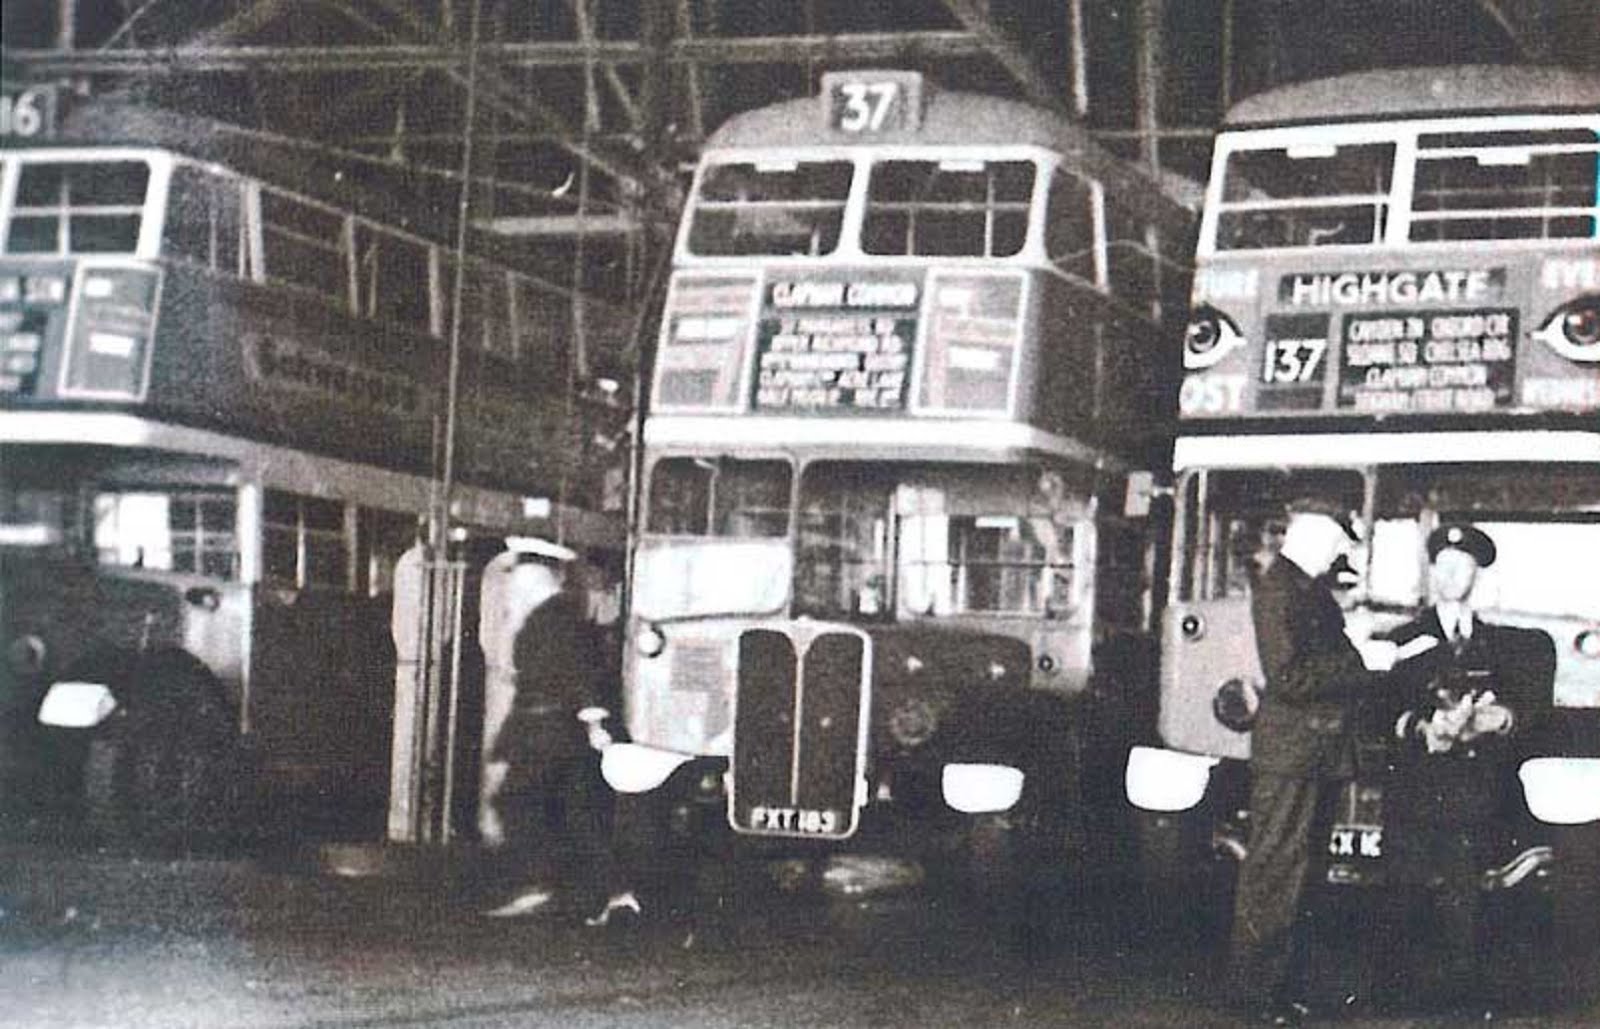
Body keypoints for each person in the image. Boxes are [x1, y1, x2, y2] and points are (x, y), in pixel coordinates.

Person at [1226, 497, 1420, 1026]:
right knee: (1276, 873)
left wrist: (1356, 650)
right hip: (1293, 754)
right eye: (1337, 540)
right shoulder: (1280, 589)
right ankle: (1254, 997)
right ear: (1311, 533)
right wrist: (1366, 663)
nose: (1340, 551)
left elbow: (1311, 664)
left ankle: (1276, 987)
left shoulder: (1303, 590)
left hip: (1311, 753)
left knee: (1296, 873)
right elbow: (1290, 679)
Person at [1378, 523, 1555, 1008]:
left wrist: (1501, 719)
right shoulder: (1400, 639)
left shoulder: (1503, 646)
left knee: (1466, 894)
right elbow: (1378, 710)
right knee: (1403, 891)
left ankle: (1461, 993)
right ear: (1432, 572)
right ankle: (1395, 995)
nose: (1451, 574)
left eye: (1463, 566)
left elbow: (1524, 709)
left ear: (1477, 575)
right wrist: (1422, 728)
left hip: (1473, 791)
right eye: (1443, 565)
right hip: (1415, 785)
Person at [483, 540, 627, 920]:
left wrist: (594, 721)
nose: (511, 588)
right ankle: (614, 891)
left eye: (517, 580)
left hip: (548, 730)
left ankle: (539, 884)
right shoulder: (553, 614)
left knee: (518, 802)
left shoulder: (551, 618)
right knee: (577, 813)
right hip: (554, 728)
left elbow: (576, 672)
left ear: (533, 580)